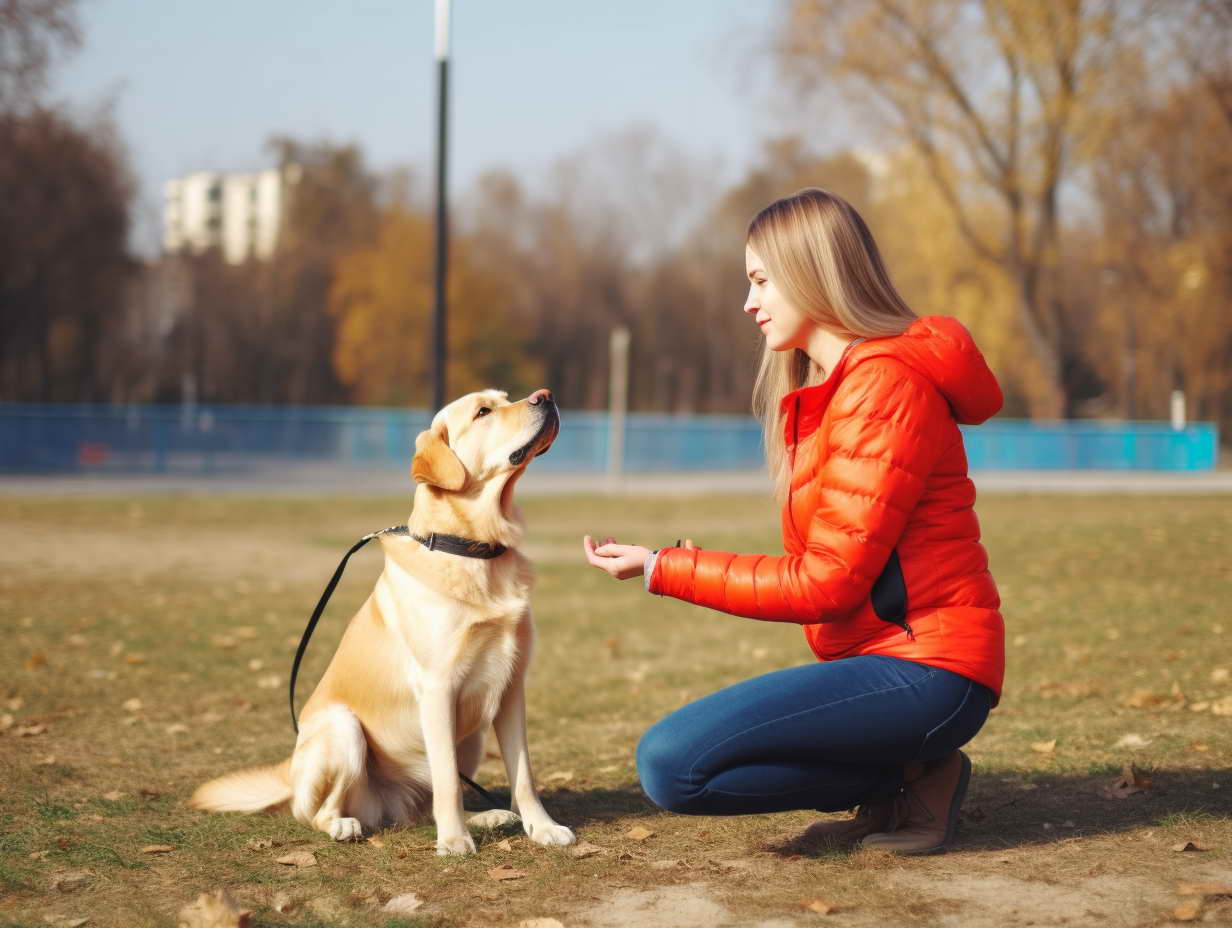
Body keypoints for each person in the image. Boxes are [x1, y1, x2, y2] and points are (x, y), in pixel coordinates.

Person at [582, 188, 1004, 855]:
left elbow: (827, 583)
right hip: (886, 665)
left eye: (760, 280)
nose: (749, 302)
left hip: (931, 669)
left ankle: (915, 775)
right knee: (672, 765)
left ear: (813, 273)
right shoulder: (833, 390)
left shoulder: (883, 387)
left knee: (673, 764)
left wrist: (665, 568)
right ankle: (901, 777)